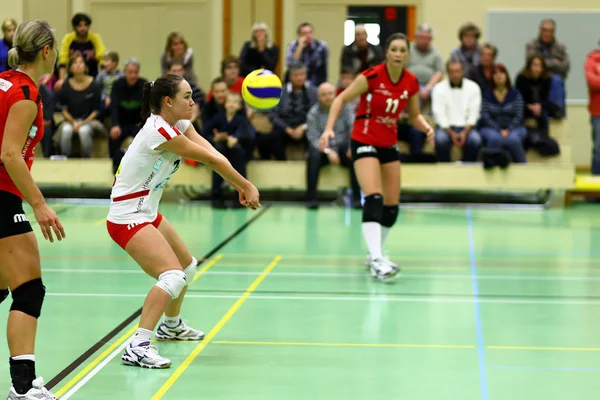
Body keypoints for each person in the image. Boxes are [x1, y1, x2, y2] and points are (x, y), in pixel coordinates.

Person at [106, 73, 261, 369]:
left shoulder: (178, 124)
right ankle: (137, 345)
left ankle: (171, 325)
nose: (193, 102)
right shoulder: (158, 131)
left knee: (187, 266)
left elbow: (213, 153)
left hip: (147, 212)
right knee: (172, 276)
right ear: (168, 102)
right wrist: (245, 186)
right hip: (127, 216)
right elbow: (211, 160)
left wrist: (239, 183)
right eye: (187, 97)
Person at [320, 33, 434, 282]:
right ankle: (376, 258)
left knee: (391, 207)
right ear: (386, 52)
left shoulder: (411, 82)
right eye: (393, 49)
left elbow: (414, 115)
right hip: (364, 139)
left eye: (402, 50)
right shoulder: (371, 76)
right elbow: (340, 98)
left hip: (388, 143)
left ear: (407, 54)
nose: (397, 53)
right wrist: (329, 128)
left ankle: (376, 255)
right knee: (374, 197)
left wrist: (426, 127)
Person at [0, 20, 63, 399]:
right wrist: (39, 205)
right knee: (28, 290)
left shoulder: (4, 80)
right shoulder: (24, 92)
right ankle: (23, 388)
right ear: (46, 50)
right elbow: (8, 153)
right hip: (2, 194)